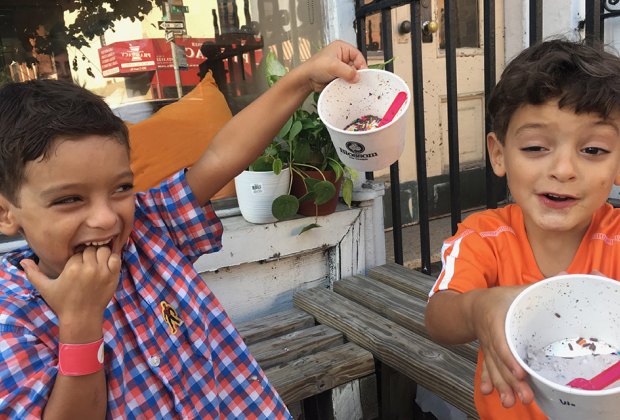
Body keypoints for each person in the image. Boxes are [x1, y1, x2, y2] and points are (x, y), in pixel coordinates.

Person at [0, 40, 366, 418]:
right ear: (6, 214)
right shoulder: (12, 320)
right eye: (69, 199)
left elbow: (222, 156)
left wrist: (303, 77)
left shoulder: (148, 228)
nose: (106, 218)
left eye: (122, 188)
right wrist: (80, 325)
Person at [424, 38, 620, 420]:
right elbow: (438, 317)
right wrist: (479, 307)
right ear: (499, 155)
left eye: (593, 150)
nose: (563, 170)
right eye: (535, 147)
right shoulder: (483, 237)